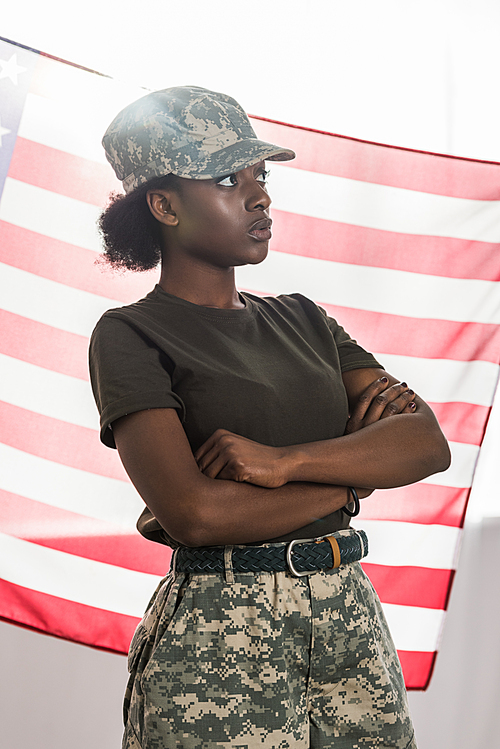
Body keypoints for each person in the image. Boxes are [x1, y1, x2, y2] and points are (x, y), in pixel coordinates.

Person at [89, 86, 450, 749]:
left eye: (261, 176)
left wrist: (286, 463)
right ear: (164, 204)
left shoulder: (304, 319)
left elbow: (425, 442)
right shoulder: (131, 335)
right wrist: (352, 477)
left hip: (349, 610)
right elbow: (196, 513)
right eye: (228, 178)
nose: (260, 196)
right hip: (222, 632)